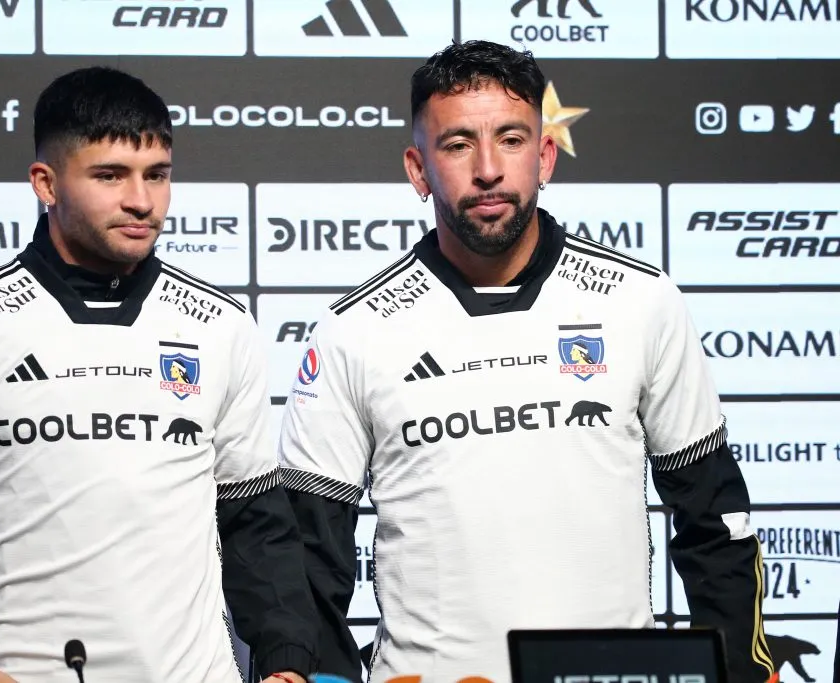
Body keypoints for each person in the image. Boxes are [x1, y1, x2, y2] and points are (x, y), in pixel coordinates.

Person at [276, 40, 774, 683]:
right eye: (456, 145)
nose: (487, 169)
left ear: (544, 157)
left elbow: (715, 523)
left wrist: (746, 671)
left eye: (510, 139)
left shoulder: (641, 302)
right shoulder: (356, 331)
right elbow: (308, 556)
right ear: (418, 169)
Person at [0, 66, 317, 683]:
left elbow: (256, 523)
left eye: (157, 175)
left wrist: (286, 662)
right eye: (110, 175)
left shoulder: (221, 324)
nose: (141, 201)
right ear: (46, 183)